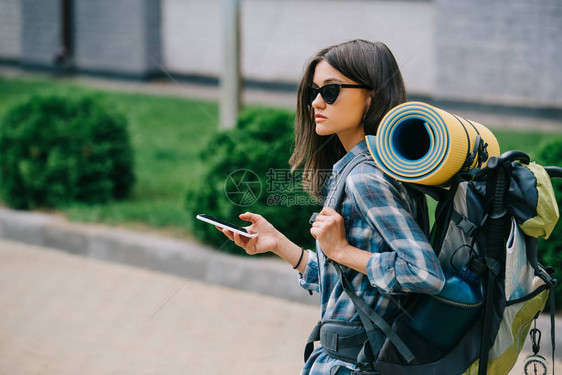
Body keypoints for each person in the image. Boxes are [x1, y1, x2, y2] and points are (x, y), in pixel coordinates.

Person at [218, 39, 445, 375]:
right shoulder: (364, 168)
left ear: (371, 97)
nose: (315, 102)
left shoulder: (366, 177)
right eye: (314, 91)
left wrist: (340, 250)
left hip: (353, 364)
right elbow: (350, 283)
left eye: (331, 90)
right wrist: (281, 245)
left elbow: (424, 273)